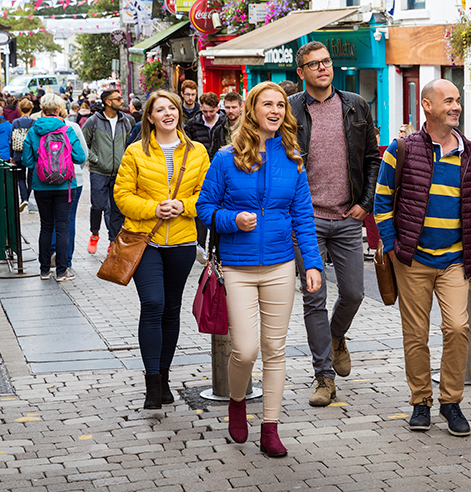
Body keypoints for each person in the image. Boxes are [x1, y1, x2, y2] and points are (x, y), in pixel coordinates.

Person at [196, 82, 323, 457]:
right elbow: (204, 209)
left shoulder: (293, 157)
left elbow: (303, 217)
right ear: (252, 110)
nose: (276, 110)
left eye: (281, 105)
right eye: (268, 104)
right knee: (245, 350)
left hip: (281, 265)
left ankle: (270, 427)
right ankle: (237, 401)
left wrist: (312, 263)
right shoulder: (226, 158)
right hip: (238, 267)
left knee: (274, 349)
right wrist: (234, 220)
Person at [374, 79, 471, 437]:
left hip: (455, 259)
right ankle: (420, 401)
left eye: (458, 100)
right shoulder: (401, 149)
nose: (456, 107)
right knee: (416, 334)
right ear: (427, 105)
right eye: (448, 100)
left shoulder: (470, 153)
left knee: (458, 328)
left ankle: (450, 401)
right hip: (412, 260)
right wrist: (393, 247)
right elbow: (382, 200)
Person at [288, 41, 381, 407]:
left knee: (354, 293)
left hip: (347, 218)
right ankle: (324, 377)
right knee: (314, 298)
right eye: (314, 64)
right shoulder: (290, 109)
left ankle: (335, 336)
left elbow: (372, 158)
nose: (323, 68)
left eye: (326, 61)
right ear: (301, 72)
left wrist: (365, 204)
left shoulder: (355, 105)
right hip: (306, 220)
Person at [114, 90, 210, 411]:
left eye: (172, 108)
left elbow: (207, 194)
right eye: (160, 109)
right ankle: (152, 383)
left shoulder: (197, 151)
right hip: (146, 240)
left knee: (171, 309)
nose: (168, 113)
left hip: (182, 242)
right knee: (153, 303)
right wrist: (154, 209)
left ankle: (165, 376)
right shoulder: (135, 152)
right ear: (150, 117)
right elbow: (122, 195)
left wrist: (183, 205)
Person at [20, 93, 86, 281]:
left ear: (42, 110)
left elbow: (26, 161)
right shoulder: (67, 130)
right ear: (58, 110)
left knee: (46, 226)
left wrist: (41, 166)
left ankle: (44, 270)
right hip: (65, 186)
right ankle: (62, 271)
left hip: (41, 186)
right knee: (63, 227)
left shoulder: (34, 131)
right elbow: (80, 157)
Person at [82, 89, 135, 254]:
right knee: (98, 206)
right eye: (118, 99)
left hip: (119, 172)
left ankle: (113, 241)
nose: (122, 101)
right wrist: (95, 159)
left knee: (116, 209)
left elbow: (130, 145)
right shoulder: (93, 121)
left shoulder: (127, 120)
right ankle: (95, 233)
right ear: (108, 102)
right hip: (99, 171)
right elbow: (83, 143)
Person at [185, 92, 229, 257]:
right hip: (200, 171)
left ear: (217, 108)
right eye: (205, 111)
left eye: (211, 111)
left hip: (221, 171)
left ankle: (216, 247)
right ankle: (200, 246)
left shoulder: (224, 123)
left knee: (221, 208)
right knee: (202, 206)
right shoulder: (193, 124)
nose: (208, 115)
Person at [50, 100, 89, 274]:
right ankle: (66, 259)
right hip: (72, 179)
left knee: (49, 220)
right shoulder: (72, 127)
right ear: (61, 109)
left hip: (46, 180)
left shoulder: (38, 128)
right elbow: (83, 155)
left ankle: (51, 254)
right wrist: (76, 168)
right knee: (68, 219)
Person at [11, 98, 36, 211]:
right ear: (31, 109)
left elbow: (11, 139)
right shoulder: (34, 122)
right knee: (31, 177)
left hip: (18, 152)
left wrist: (12, 155)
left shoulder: (15, 122)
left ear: (20, 109)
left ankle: (24, 198)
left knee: (20, 177)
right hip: (30, 153)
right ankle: (29, 199)